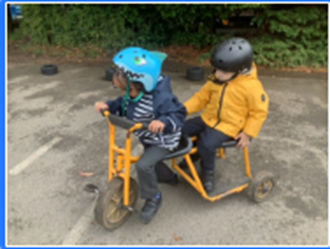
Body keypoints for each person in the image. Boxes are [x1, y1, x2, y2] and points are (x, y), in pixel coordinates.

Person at [94, 47, 186, 224]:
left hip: (164, 140)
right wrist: (107, 106)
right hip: (148, 137)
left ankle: (154, 198)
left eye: (121, 76)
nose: (116, 77)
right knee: (151, 161)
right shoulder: (133, 94)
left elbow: (178, 114)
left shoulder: (161, 98)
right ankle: (170, 178)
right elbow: (122, 104)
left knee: (144, 164)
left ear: (141, 82)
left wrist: (164, 122)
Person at [180, 37, 269, 193]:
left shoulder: (251, 87)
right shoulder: (216, 79)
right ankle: (194, 156)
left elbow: (259, 112)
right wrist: (182, 110)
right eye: (216, 69)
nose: (218, 74)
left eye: (224, 71)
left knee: (206, 144)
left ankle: (208, 172)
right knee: (181, 129)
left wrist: (248, 133)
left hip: (230, 126)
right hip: (209, 118)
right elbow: (201, 98)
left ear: (240, 70)